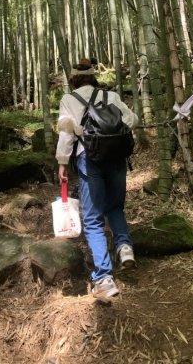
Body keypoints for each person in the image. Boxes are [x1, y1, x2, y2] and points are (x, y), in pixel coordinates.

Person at [55, 58, 138, 299]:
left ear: (73, 79)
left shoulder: (69, 100)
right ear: (93, 77)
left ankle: (104, 278)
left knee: (92, 218)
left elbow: (66, 135)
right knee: (114, 207)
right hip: (116, 158)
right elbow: (132, 120)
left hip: (88, 158)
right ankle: (124, 248)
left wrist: (62, 163)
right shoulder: (109, 96)